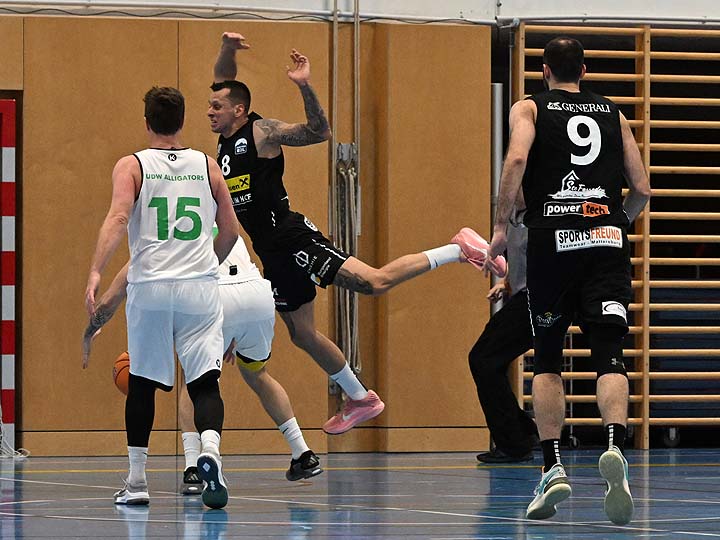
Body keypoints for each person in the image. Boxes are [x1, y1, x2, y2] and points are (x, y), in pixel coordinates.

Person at [209, 32, 506, 434]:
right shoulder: (225, 140)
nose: (209, 111)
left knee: (374, 282)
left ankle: (458, 248)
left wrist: (305, 86)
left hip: (292, 238)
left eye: (217, 106)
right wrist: (227, 49)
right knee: (302, 334)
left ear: (239, 110)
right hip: (271, 251)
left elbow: (319, 132)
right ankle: (360, 398)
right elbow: (224, 80)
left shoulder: (262, 132)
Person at [486, 37, 650, 525]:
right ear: (584, 70)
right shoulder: (613, 113)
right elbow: (642, 188)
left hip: (553, 241)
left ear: (544, 71)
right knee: (610, 353)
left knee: (548, 360)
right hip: (606, 241)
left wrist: (500, 226)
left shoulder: (530, 108)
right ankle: (616, 445)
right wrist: (615, 222)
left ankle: (552, 465)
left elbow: (517, 160)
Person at [84, 86, 239, 509]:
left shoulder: (132, 165)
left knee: (142, 385)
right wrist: (204, 264)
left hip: (150, 287)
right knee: (205, 382)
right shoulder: (208, 166)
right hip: (199, 288)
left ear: (147, 122)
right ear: (182, 121)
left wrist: (97, 270)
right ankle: (210, 451)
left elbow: (119, 216)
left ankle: (137, 482)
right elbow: (230, 231)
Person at [84, 235, 324, 492]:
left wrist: (93, 324)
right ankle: (302, 452)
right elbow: (231, 236)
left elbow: (126, 279)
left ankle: (193, 468)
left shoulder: (167, 231)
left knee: (195, 378)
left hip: (217, 290)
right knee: (257, 373)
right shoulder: (217, 216)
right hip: (256, 293)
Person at [470, 213, 539, 464]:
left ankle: (515, 442)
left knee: (483, 359)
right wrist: (507, 283)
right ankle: (523, 433)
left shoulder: (541, 215)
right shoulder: (512, 219)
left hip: (539, 300)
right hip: (522, 297)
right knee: (486, 361)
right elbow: (520, 259)